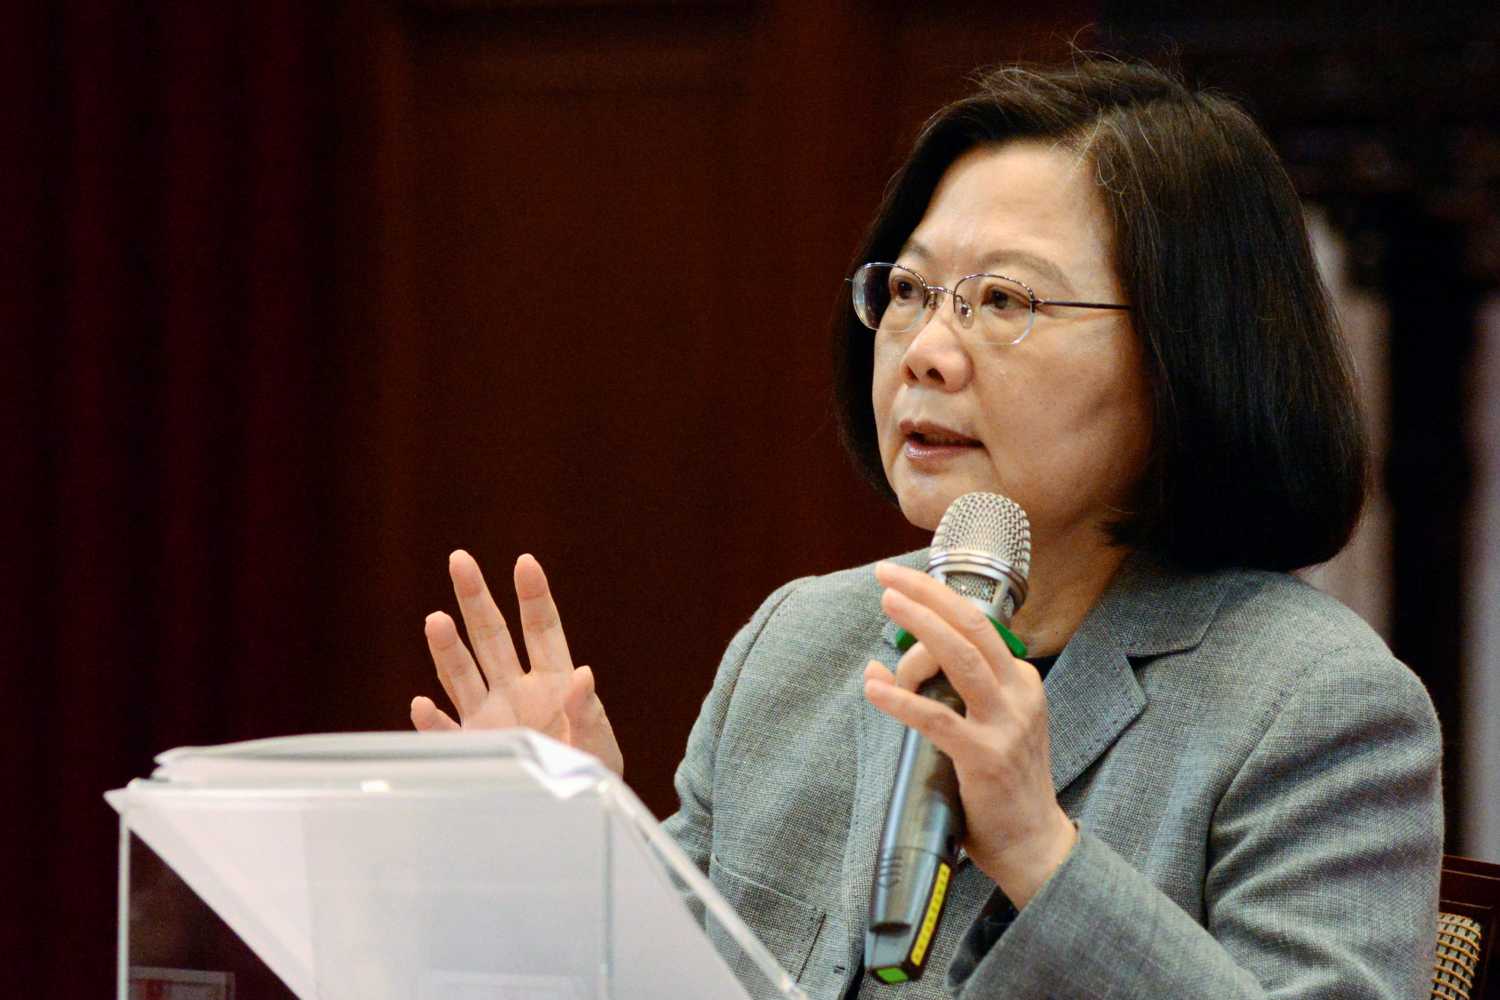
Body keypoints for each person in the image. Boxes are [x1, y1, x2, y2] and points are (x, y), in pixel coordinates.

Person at [409, 58, 1443, 999]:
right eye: (909, 291)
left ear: (1188, 354)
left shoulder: (1316, 710)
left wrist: (1042, 854)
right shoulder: (801, 645)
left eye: (1002, 299)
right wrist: (584, 854)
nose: (926, 351)